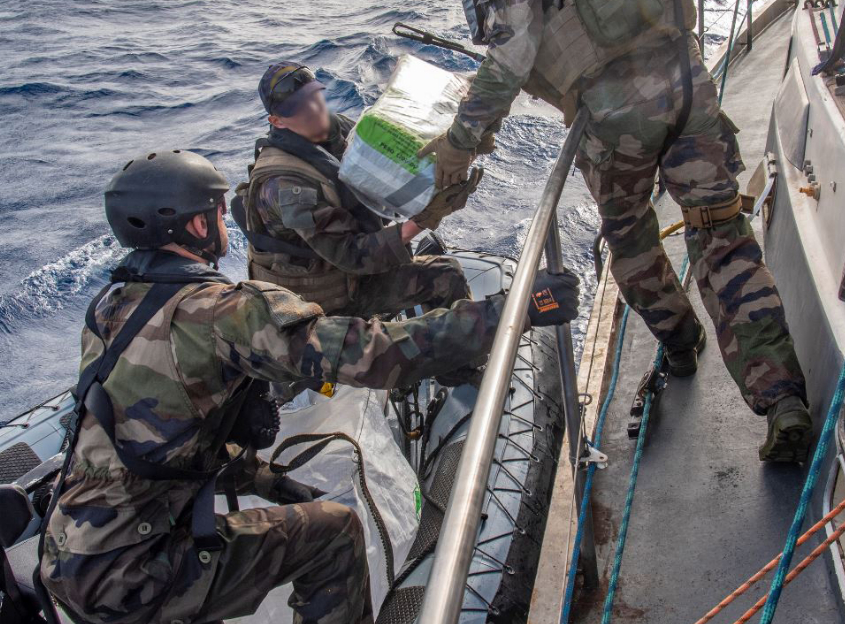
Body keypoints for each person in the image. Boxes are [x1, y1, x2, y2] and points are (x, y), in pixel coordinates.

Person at [38, 148, 579, 624]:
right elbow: (375, 355)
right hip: (136, 573)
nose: (227, 221)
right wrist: (511, 311)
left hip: (68, 558)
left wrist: (273, 482)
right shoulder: (224, 313)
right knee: (335, 532)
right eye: (218, 211)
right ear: (198, 228)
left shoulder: (111, 308)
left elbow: (161, 439)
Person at [420, 0, 812, 462]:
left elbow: (508, 60)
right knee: (723, 237)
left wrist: (459, 144)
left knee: (630, 239)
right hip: (692, 93)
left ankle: (681, 343)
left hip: (616, 121)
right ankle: (783, 400)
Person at [232, 61, 481, 320]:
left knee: (424, 263)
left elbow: (393, 168)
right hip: (322, 301)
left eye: (314, 97)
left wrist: (456, 149)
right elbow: (350, 254)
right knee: (446, 276)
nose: (315, 110)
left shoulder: (337, 131)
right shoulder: (285, 185)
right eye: (299, 108)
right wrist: (425, 219)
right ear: (277, 121)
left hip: (349, 274)